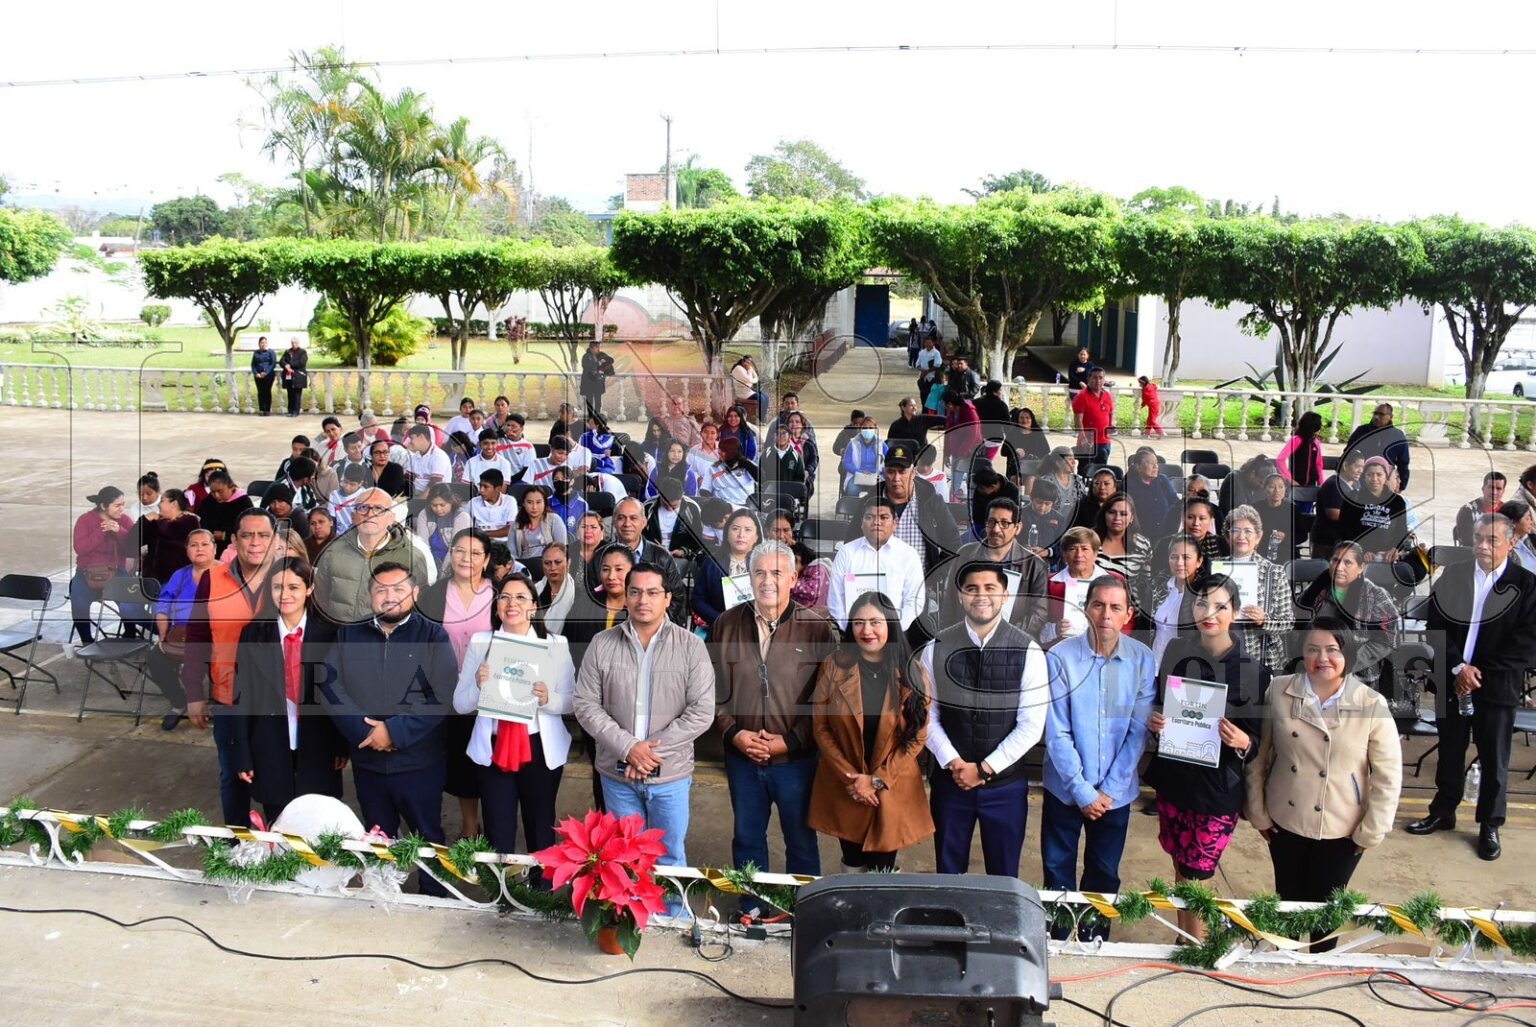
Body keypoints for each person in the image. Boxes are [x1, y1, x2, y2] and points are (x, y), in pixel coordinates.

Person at [1247, 619, 1402, 950]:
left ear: (1347, 654)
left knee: (1326, 916)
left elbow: (1389, 777)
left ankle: (1318, 968)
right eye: (1313, 649)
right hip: (1285, 820)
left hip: (1341, 828)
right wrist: (1257, 812)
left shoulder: (1371, 704)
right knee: (1286, 905)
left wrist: (1371, 831)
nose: (1322, 658)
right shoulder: (1279, 690)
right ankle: (1281, 973)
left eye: (1333, 650)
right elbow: (1259, 756)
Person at [574, 562, 715, 886]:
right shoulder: (602, 643)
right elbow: (585, 704)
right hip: (617, 776)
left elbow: (701, 711)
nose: (642, 600)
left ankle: (670, 923)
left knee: (669, 857)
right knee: (622, 858)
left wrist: (647, 753)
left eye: (652, 592)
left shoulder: (691, 647)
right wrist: (628, 748)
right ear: (625, 597)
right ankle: (630, 925)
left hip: (670, 776)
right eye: (635, 592)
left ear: (667, 598)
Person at [322, 563, 458, 895]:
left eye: (398, 589)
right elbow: (328, 685)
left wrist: (394, 732)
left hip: (418, 762)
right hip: (368, 760)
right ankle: (382, 898)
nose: (390, 597)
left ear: (414, 593)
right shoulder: (349, 634)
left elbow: (442, 693)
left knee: (427, 837)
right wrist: (363, 730)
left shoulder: (433, 635)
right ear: (370, 596)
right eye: (381, 589)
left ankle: (434, 899)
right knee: (378, 837)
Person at [1146, 575, 1268, 941]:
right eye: (1201, 604)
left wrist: (1244, 740)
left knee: (1199, 871)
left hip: (1215, 790)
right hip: (1175, 780)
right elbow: (1160, 704)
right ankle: (1185, 935)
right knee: (1181, 865)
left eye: (1220, 606)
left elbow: (1258, 740)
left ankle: (1197, 945)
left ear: (1233, 612)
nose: (1209, 613)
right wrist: (1157, 722)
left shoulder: (1251, 670)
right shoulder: (1176, 652)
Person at [711, 541, 840, 885]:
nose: (768, 581)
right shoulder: (725, 624)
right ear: (748, 577)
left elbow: (826, 700)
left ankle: (801, 907)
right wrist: (735, 734)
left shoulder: (816, 628)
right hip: (743, 758)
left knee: (800, 839)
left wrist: (792, 741)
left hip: (796, 761)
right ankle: (753, 903)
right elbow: (712, 692)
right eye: (760, 572)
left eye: (777, 573)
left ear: (793, 578)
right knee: (747, 837)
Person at [1409, 514, 1536, 861]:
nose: (1482, 545)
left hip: (1496, 687)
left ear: (1511, 543)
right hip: (1453, 679)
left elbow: (1525, 645)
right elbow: (1436, 626)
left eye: (1491, 540)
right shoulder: (1455, 575)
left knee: (1495, 757)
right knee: (1450, 749)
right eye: (1478, 538)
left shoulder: (1527, 585)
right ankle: (1443, 810)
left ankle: (1490, 824)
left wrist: (1478, 673)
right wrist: (1458, 667)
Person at [1041, 576, 1156, 941]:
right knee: (1057, 868)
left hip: (1115, 794)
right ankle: (1058, 941)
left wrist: (1107, 790)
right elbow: (1056, 730)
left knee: (1104, 871)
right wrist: (1081, 790)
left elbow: (1138, 730)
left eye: (1115, 607)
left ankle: (1094, 939)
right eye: (1098, 605)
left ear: (1128, 615)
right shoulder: (1060, 657)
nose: (1105, 614)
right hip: (1064, 788)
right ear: (1085, 608)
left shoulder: (1142, 659)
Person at [921, 563, 1048, 877]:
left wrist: (984, 769)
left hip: (1004, 787)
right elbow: (927, 716)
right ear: (961, 596)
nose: (981, 595)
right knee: (948, 873)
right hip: (951, 783)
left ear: (1004, 594)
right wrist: (955, 763)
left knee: (1003, 875)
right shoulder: (935, 648)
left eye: (990, 588)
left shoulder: (1028, 650)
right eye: (972, 588)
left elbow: (1031, 725)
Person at [807, 592, 934, 872]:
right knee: (852, 861)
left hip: (891, 784)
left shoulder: (912, 672)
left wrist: (876, 781)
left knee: (883, 868)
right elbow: (821, 727)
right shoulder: (834, 666)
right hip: (846, 784)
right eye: (858, 623)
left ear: (890, 624)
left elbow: (916, 738)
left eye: (875, 622)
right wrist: (853, 780)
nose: (866, 631)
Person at [455, 572, 576, 856]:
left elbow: (571, 702)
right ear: (496, 605)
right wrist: (478, 685)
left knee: (540, 826)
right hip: (493, 747)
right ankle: (502, 894)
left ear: (534, 605)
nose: (512, 603)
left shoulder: (555, 645)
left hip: (539, 748)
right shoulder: (481, 642)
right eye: (504, 597)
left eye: (521, 597)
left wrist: (548, 699)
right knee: (498, 829)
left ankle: (541, 894)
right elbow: (460, 704)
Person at [180, 507, 279, 827]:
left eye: (263, 535)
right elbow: (197, 636)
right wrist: (194, 693)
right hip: (228, 695)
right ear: (234, 540)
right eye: (247, 535)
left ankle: (283, 845)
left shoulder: (288, 579)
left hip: (276, 698)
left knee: (278, 777)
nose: (255, 542)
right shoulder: (213, 578)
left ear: (275, 540)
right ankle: (238, 840)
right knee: (232, 775)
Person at [230, 558, 346, 823]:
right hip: (269, 740)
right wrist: (242, 753)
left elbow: (339, 695)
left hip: (319, 742)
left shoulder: (329, 634)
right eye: (277, 587)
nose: (285, 595)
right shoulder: (254, 634)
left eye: (294, 587)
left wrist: (341, 746)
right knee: (279, 819)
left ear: (309, 588)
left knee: (317, 819)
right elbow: (241, 697)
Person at [418, 527, 495, 841]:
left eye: (475, 553)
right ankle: (469, 824)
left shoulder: (501, 593)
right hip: (448, 693)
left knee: (492, 762)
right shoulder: (434, 594)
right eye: (460, 550)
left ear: (487, 560)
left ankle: (497, 823)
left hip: (492, 694)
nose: (466, 558)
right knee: (462, 762)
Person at [313, 488, 434, 626]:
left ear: (391, 518)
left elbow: (420, 605)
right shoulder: (332, 551)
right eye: (363, 507)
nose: (370, 514)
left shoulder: (413, 557)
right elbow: (320, 596)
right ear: (353, 517)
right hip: (337, 636)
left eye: (379, 508)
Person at [936, 497, 1049, 639]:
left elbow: (1038, 614)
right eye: (992, 522)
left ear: (1018, 528)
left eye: (1004, 523)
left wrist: (1005, 636)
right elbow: (950, 601)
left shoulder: (1034, 565)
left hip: (1010, 645)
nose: (996, 529)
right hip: (966, 641)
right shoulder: (964, 555)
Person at [1298, 541, 1402, 691]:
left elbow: (1388, 639)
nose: (1339, 567)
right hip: (1313, 666)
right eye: (1335, 560)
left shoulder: (1375, 595)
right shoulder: (1316, 589)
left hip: (1357, 672)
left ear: (1361, 568)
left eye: (1347, 563)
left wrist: (1347, 662)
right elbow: (1297, 621)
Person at [147, 528, 217, 732]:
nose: (199, 549)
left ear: (214, 548)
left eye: (205, 544)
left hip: (215, 636)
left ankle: (218, 705)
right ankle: (179, 702)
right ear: (187, 550)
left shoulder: (226, 572)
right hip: (181, 634)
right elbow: (163, 606)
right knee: (155, 659)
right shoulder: (180, 575)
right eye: (194, 545)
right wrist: (163, 634)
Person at [1213, 505, 1294, 675]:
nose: (1241, 536)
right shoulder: (1216, 568)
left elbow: (1288, 622)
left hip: (1260, 656)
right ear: (1228, 536)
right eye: (1235, 530)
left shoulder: (1275, 572)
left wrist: (1264, 620)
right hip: (1220, 649)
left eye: (1248, 531)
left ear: (1258, 537)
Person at [827, 499, 927, 631]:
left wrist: (893, 629)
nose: (876, 522)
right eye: (870, 517)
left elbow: (914, 601)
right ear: (862, 523)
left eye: (884, 517)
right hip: (853, 633)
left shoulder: (908, 555)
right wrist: (852, 629)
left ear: (895, 523)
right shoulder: (846, 552)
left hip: (896, 633)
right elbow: (836, 599)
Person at [69, 486, 141, 646]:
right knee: (78, 602)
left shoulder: (125, 520)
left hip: (117, 571)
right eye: (117, 505)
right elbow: (80, 548)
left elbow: (134, 550)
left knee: (129, 604)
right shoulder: (85, 520)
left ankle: (131, 633)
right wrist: (101, 531)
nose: (121, 509)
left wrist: (119, 532)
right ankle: (87, 642)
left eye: (123, 504)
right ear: (103, 506)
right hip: (87, 572)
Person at [1040, 527, 1119, 647]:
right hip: (1062, 651)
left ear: (1095, 553)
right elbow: (1038, 621)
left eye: (1085, 549)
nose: (1079, 555)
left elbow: (1125, 621)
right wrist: (1054, 629)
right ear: (1065, 555)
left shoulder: (1115, 581)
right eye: (1072, 549)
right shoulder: (1050, 582)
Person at [691, 508, 762, 627]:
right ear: (727, 534)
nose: (741, 535)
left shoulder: (764, 564)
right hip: (719, 627)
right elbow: (698, 600)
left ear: (756, 537)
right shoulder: (712, 562)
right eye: (735, 529)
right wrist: (721, 621)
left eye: (748, 530)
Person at [1149, 534, 1208, 665]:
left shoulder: (1204, 595)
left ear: (1199, 561)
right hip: (1153, 663)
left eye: (1186, 557)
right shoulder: (1157, 587)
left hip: (1182, 667)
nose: (1179, 563)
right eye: (1174, 557)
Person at [1094, 493, 1154, 614]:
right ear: (1104, 514)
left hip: (1128, 612)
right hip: (1093, 608)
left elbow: (1146, 582)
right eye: (1112, 512)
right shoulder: (1089, 540)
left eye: (1124, 514)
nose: (1117, 518)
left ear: (1132, 518)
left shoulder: (1143, 545)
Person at [137, 487, 200, 588]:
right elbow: (138, 539)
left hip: (177, 579)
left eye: (162, 501)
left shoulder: (190, 520)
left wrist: (159, 520)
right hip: (152, 579)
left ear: (174, 503)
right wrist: (144, 520)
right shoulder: (158, 522)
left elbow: (171, 531)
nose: (158, 505)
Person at [1344, 402, 1410, 490]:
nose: (1376, 417)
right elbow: (1347, 454)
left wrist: (1402, 486)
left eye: (1381, 414)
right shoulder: (1361, 431)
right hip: (1361, 479)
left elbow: (1403, 462)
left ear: (1390, 416)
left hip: (1385, 481)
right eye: (1375, 413)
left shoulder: (1398, 436)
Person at [1311, 451, 1365, 555]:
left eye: (1363, 467)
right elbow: (1333, 514)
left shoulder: (1356, 484)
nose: (1361, 471)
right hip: (1327, 540)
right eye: (1357, 466)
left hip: (1343, 538)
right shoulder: (1333, 485)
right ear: (1345, 465)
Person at [643, 477, 706, 563]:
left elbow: (698, 538)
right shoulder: (647, 507)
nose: (669, 508)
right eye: (665, 504)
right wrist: (651, 546)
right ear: (658, 494)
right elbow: (640, 533)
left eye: (674, 506)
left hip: (680, 557)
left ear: (682, 495)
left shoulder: (692, 508)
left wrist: (684, 551)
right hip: (651, 554)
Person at [414, 483, 472, 573]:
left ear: (451, 502)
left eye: (442, 505)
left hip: (452, 562)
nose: (438, 509)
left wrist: (443, 573)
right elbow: (423, 546)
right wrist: (428, 570)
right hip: (430, 560)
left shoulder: (462, 517)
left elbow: (456, 549)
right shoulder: (424, 514)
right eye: (434, 505)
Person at [1125, 448, 1180, 539]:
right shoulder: (1129, 485)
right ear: (1138, 467)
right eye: (1151, 463)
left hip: (1166, 534)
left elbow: (1175, 502)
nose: (1155, 466)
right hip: (1139, 536)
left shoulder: (1163, 480)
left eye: (1156, 463)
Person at [198, 470, 254, 558]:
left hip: (236, 550)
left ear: (231, 487)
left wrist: (224, 535)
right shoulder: (208, 501)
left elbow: (249, 528)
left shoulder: (243, 503)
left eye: (220, 491)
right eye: (213, 492)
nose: (216, 495)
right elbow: (201, 521)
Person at [512, 484, 567, 570]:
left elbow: (562, 549)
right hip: (524, 567)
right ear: (523, 503)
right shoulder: (516, 524)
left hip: (550, 566)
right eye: (529, 502)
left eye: (538, 502)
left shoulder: (554, 520)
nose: (534, 507)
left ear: (545, 503)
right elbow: (512, 554)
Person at [1071, 367, 1115, 468]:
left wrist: (1110, 427)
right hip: (1088, 443)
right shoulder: (1082, 397)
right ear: (1089, 380)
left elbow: (1109, 414)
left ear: (1104, 380)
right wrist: (1083, 439)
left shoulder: (1107, 395)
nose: (1098, 381)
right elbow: (1078, 421)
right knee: (1086, 471)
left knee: (1101, 472)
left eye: (1101, 378)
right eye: (1094, 378)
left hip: (1105, 442)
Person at [941, 389, 984, 494]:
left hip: (970, 451)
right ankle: (954, 499)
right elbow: (948, 432)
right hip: (956, 451)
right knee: (956, 481)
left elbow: (972, 435)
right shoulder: (951, 412)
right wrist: (946, 453)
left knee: (971, 481)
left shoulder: (970, 412)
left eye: (944, 404)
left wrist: (961, 454)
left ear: (950, 404)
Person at [1257, 473, 1304, 564]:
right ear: (1264, 489)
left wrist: (1285, 537)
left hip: (1287, 555)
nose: (1276, 491)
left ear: (1285, 490)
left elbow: (1302, 535)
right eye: (1271, 487)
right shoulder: (1256, 508)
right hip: (1261, 553)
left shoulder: (1293, 509)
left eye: (1281, 487)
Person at [1454, 472, 1508, 547]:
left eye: (1498, 489)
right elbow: (1467, 541)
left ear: (1503, 491)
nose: (1494, 492)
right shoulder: (1468, 510)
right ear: (1483, 489)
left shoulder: (1507, 511)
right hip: (1474, 553)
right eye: (1490, 487)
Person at [1277, 411, 1325, 488]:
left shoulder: (1316, 443)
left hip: (1311, 485)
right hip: (1296, 485)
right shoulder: (1296, 440)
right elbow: (1280, 459)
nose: (1319, 431)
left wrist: (1322, 484)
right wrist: (1289, 479)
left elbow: (1318, 465)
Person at [537, 543, 577, 634]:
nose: (552, 568)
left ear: (568, 562)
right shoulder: (534, 590)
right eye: (547, 563)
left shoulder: (578, 594)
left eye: (558, 562)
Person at [840, 416, 885, 495]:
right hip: (857, 476)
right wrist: (860, 472)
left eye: (871, 428)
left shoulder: (881, 444)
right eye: (864, 427)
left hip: (877, 477)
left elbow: (889, 462)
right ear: (860, 428)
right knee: (852, 489)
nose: (867, 430)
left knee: (880, 491)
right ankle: (853, 507)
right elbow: (846, 463)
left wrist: (882, 475)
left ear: (875, 429)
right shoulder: (853, 443)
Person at [1004, 407, 1051, 481]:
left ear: (1032, 420)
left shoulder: (1038, 433)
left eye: (1027, 418)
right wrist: (1015, 450)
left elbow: (1046, 451)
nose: (1024, 420)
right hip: (1016, 468)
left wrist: (1040, 464)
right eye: (1021, 418)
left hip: (1034, 467)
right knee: (1015, 479)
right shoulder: (1012, 432)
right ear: (1018, 420)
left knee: (1031, 479)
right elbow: (1003, 451)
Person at [468, 469, 517, 540]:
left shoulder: (509, 501)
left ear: (498, 489)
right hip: (480, 543)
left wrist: (483, 534)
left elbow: (511, 529)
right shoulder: (473, 502)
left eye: (485, 487)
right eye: (480, 486)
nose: (481, 490)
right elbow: (464, 526)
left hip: (504, 544)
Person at [405, 424, 451, 497]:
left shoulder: (439, 456)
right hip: (416, 495)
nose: (409, 442)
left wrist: (417, 502)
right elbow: (408, 479)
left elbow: (435, 485)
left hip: (436, 497)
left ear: (421, 437)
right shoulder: (415, 456)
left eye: (411, 438)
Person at [580, 338, 616, 418]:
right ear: (591, 348)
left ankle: (597, 416)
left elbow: (611, 360)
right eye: (596, 348)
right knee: (589, 400)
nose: (598, 349)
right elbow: (586, 367)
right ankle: (590, 417)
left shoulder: (600, 355)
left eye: (599, 347)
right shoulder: (586, 356)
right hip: (589, 382)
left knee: (598, 400)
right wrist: (598, 363)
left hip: (598, 381)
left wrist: (603, 364)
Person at [1498, 499, 1536, 571]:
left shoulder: (1532, 539)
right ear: (1513, 523)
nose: (1531, 522)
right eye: (1528, 518)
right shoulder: (1503, 550)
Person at [278, 337, 308, 417]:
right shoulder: (288, 351)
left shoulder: (302, 352)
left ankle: (296, 411)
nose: (294, 344)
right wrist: (286, 366)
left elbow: (301, 362)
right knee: (290, 393)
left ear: (298, 343)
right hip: (288, 376)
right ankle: (290, 410)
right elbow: (281, 361)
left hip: (298, 376)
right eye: (293, 343)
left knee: (297, 394)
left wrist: (289, 365)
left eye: (296, 343)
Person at [249, 336, 277, 416]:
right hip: (258, 376)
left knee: (267, 391)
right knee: (260, 392)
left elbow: (273, 364)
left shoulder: (271, 352)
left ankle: (267, 410)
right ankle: (261, 409)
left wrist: (266, 372)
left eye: (265, 342)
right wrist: (256, 373)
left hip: (268, 375)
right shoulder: (256, 353)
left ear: (267, 343)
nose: (263, 344)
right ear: (259, 344)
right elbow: (253, 365)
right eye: (262, 342)